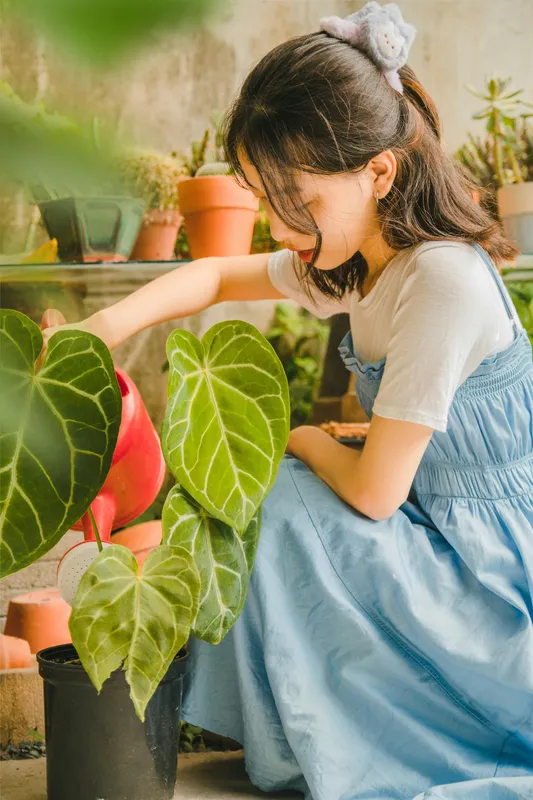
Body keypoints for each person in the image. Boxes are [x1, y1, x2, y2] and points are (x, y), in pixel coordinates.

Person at [41, 3, 533, 798]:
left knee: (285, 493)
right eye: (261, 197)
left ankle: (359, 738)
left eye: (293, 199)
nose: (275, 225)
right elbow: (216, 273)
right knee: (276, 497)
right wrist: (99, 328)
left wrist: (301, 435)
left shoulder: (438, 277)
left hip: (489, 576)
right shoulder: (361, 257)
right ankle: (322, 732)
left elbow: (375, 492)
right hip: (429, 527)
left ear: (379, 172)